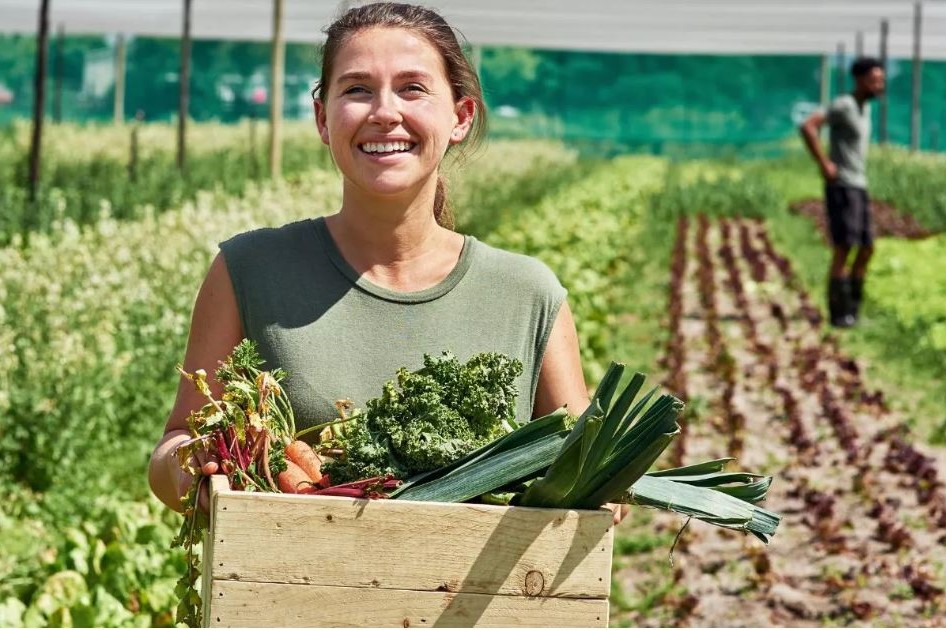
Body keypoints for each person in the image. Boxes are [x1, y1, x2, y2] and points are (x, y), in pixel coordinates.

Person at [149, 2, 628, 523]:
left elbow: (586, 475)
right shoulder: (248, 270)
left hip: (474, 603)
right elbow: (176, 444)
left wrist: (603, 489)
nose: (384, 111)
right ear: (322, 118)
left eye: (412, 88)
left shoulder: (528, 295)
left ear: (459, 118)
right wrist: (194, 468)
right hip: (286, 593)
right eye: (356, 89)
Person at [799, 56, 886, 328]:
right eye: (874, 80)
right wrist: (824, 163)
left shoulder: (864, 108)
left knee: (867, 247)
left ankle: (854, 308)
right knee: (844, 247)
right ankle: (840, 314)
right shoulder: (844, 105)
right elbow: (808, 126)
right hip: (843, 185)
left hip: (858, 184)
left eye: (881, 80)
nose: (879, 85)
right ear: (860, 80)